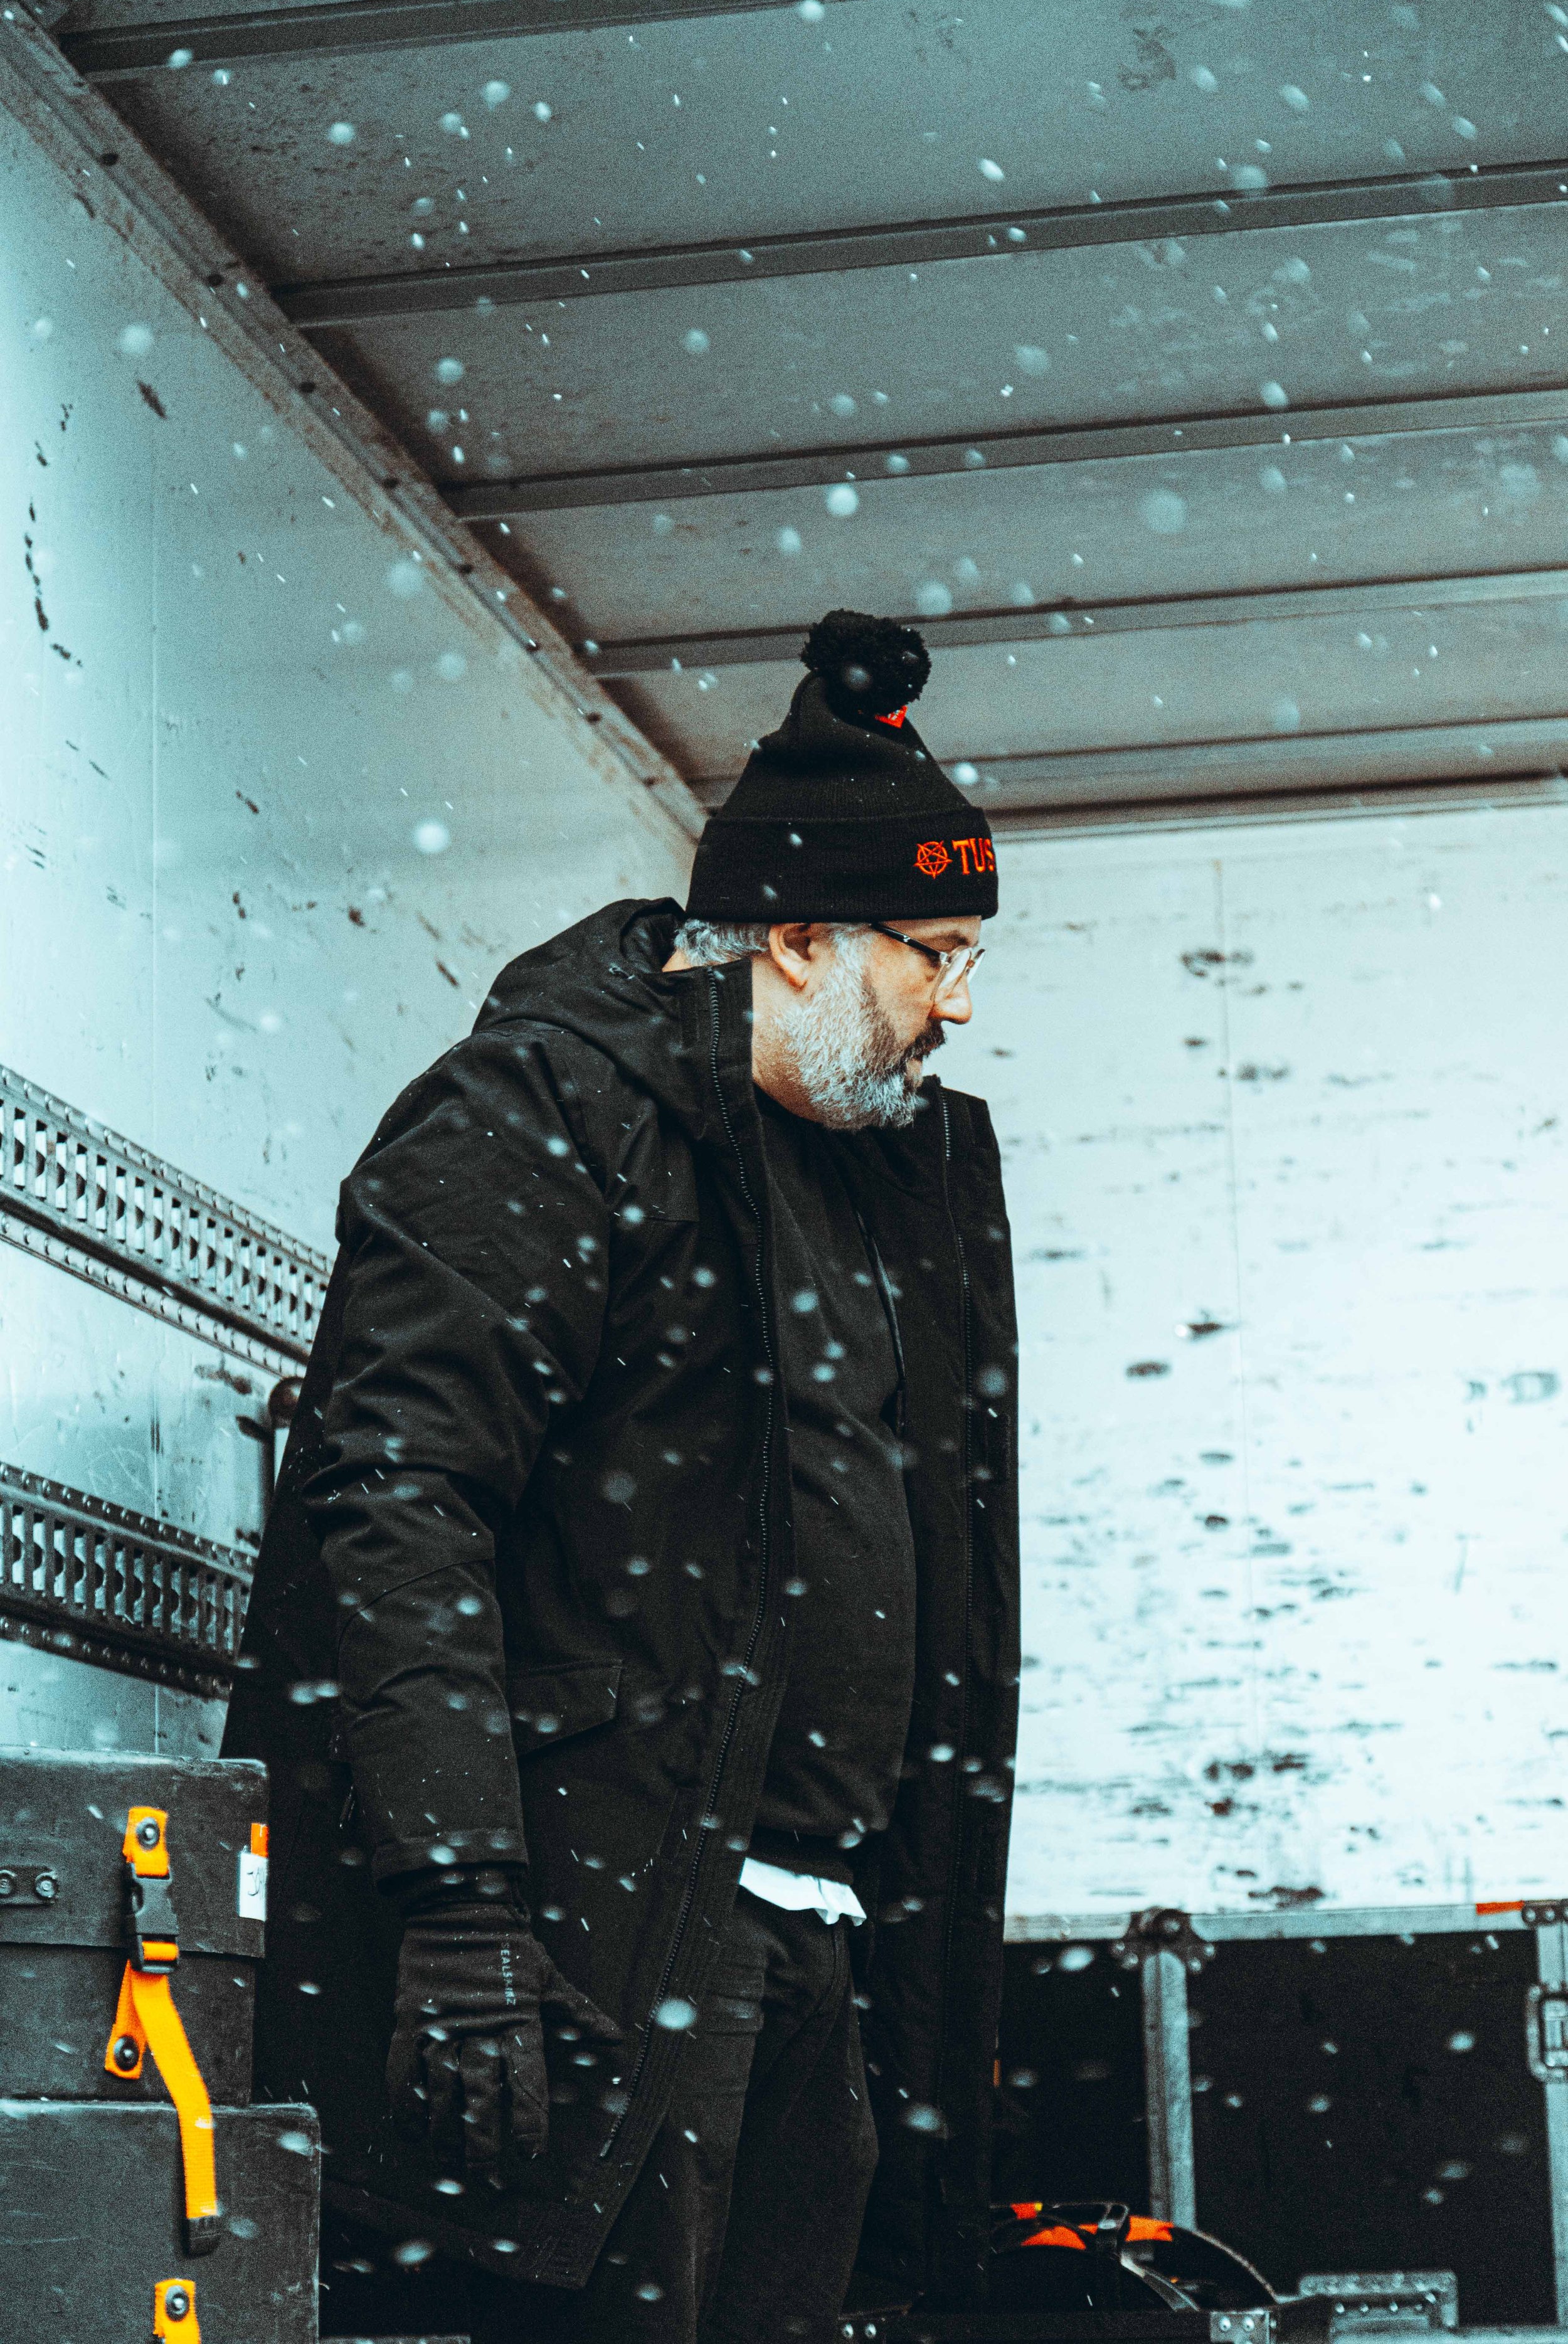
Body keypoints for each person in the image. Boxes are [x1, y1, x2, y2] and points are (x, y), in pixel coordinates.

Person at [222, 608, 1019, 2344]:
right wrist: (460, 1914)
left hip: (812, 1938)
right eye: (931, 956)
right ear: (796, 940)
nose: (956, 1009)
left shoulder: (879, 1186)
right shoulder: (541, 1118)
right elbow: (398, 1499)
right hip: (616, 1942)